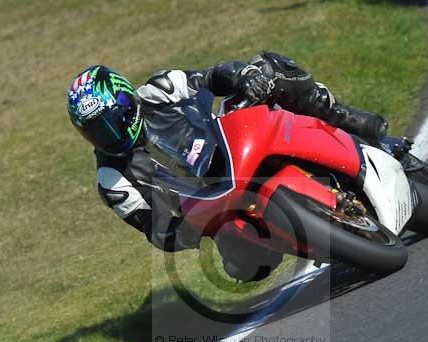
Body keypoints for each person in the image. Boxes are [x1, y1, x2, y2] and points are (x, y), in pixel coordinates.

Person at [67, 52, 389, 280]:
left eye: (111, 123)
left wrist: (244, 77)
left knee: (269, 68)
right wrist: (189, 230)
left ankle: (345, 119)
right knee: (247, 266)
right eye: (94, 132)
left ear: (126, 101)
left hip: (235, 144)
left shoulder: (158, 90)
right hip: (216, 205)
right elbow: (156, 230)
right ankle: (319, 236)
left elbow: (212, 77)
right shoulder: (112, 178)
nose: (108, 136)